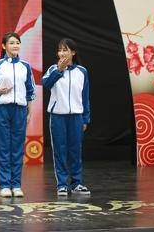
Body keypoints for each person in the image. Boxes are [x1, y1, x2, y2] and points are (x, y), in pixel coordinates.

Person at [0, 32, 35, 198]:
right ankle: (4, 185)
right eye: (11, 43)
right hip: (1, 110)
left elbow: (30, 91)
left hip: (20, 111)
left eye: (17, 42)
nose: (15, 45)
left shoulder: (25, 66)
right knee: (3, 147)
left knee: (17, 148)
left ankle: (16, 185)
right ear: (4, 46)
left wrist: (29, 112)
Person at [42, 38, 91, 196]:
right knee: (60, 150)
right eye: (60, 50)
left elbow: (85, 97)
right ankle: (62, 184)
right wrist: (59, 70)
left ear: (73, 52)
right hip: (58, 117)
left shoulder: (82, 71)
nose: (61, 53)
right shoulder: (53, 69)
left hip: (76, 117)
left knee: (76, 151)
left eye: (65, 50)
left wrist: (85, 118)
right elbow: (46, 84)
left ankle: (77, 183)